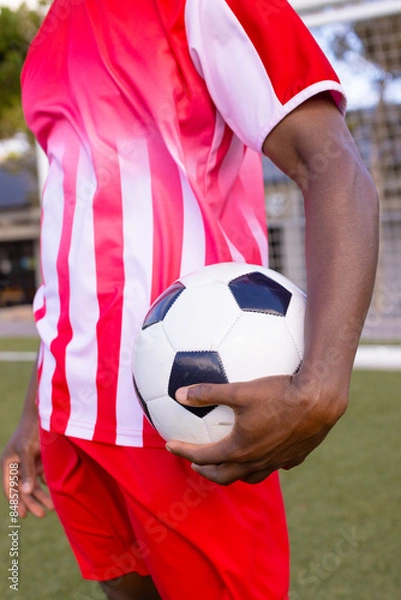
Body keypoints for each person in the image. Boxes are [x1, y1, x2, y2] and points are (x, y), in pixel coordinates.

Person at [1, 1, 378, 599]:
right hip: (70, 412)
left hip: (187, 409)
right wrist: (35, 412)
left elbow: (330, 164)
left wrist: (322, 385)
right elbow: (68, 231)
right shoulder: (50, 36)